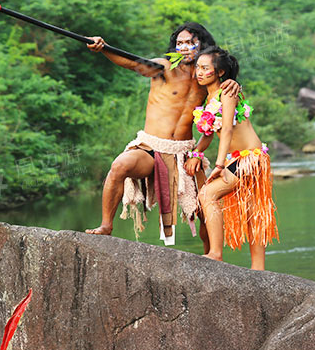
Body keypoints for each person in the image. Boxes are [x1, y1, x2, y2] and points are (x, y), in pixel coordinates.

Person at [83, 23, 238, 249]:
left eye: (190, 43)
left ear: (203, 46)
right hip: (151, 146)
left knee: (205, 204)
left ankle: (212, 254)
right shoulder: (163, 67)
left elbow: (219, 112)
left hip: (185, 151)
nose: (184, 48)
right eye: (180, 43)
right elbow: (133, 62)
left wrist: (233, 82)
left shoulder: (205, 78)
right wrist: (104, 47)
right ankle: (107, 225)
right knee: (119, 166)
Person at [189, 46, 278, 270]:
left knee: (208, 194)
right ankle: (258, 270)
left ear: (220, 73)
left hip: (250, 158)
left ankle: (216, 254)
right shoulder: (209, 98)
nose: (199, 72)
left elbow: (227, 129)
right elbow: (209, 133)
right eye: (198, 67)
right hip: (240, 159)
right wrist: (196, 154)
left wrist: (218, 165)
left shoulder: (227, 91)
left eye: (205, 68)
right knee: (251, 212)